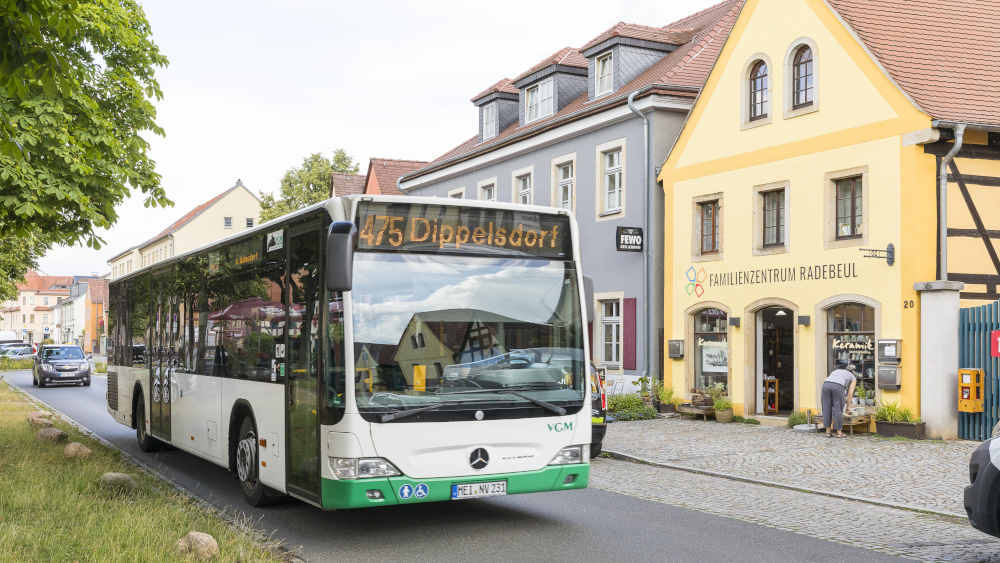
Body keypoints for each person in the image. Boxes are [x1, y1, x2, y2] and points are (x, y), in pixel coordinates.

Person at [822, 361, 857, 438]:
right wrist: (848, 407)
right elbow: (850, 393)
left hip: (826, 385)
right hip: (838, 386)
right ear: (853, 372)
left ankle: (828, 432)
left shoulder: (835, 371)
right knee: (837, 409)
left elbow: (828, 379)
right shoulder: (853, 377)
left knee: (826, 408)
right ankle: (839, 433)